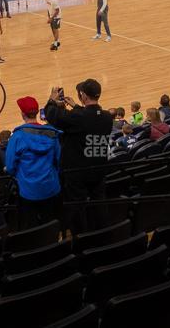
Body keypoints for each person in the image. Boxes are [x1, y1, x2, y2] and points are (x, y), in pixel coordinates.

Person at [45, 79, 114, 234]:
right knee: (99, 203)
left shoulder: (78, 117)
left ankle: (81, 237)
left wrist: (51, 100)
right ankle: (103, 234)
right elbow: (90, 118)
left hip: (78, 172)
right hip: (99, 168)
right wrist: (76, 106)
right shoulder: (107, 117)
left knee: (77, 207)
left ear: (83, 95)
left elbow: (52, 116)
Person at [7, 97, 63, 227]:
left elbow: (10, 167)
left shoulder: (17, 137)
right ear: (37, 112)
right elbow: (58, 161)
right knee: (50, 225)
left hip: (28, 191)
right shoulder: (52, 134)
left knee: (31, 228)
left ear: (22, 114)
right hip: (51, 187)